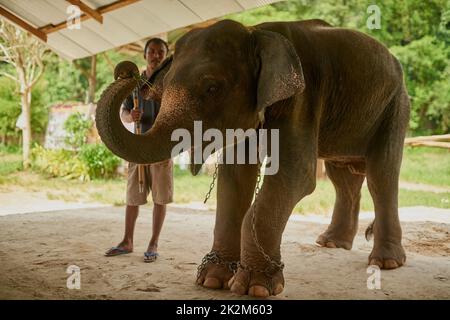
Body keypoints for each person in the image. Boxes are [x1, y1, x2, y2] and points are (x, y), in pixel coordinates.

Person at [105, 38, 173, 263]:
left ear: (165, 55)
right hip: (137, 145)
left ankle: (153, 243)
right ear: (145, 55)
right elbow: (123, 112)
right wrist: (129, 117)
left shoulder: (170, 81)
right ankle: (127, 241)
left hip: (162, 147)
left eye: (160, 52)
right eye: (152, 51)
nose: (155, 55)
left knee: (160, 198)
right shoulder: (135, 83)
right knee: (132, 196)